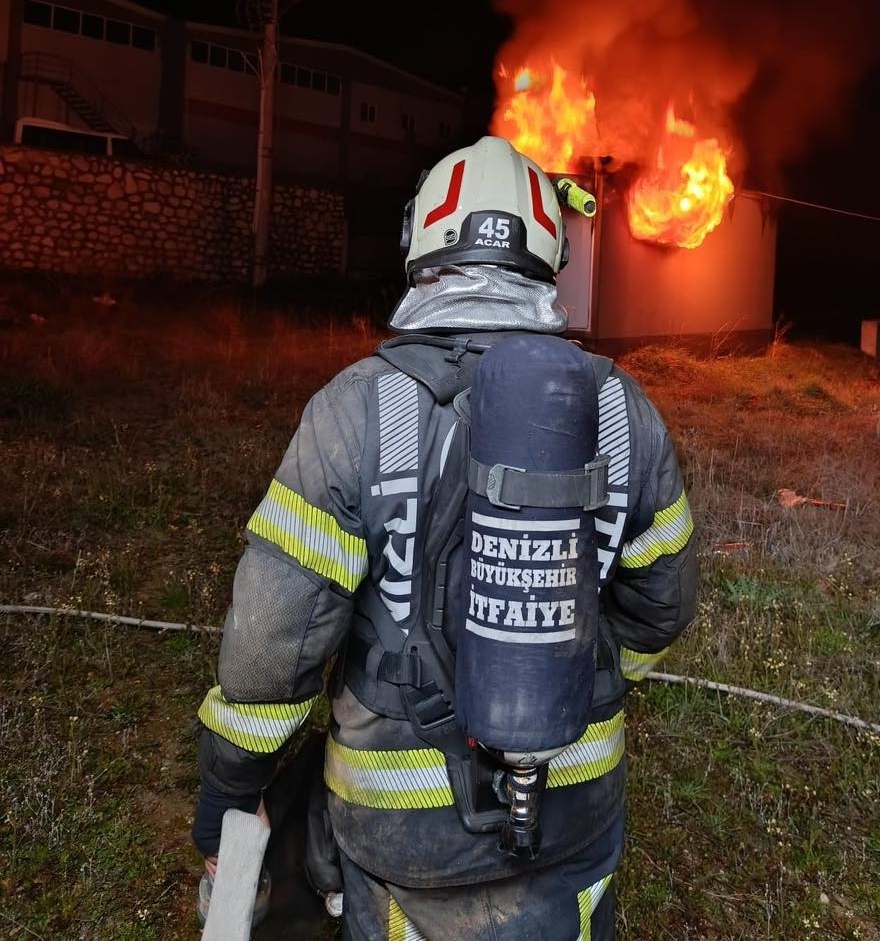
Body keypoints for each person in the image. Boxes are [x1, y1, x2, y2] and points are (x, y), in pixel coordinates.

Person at [192, 135, 697, 940]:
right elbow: (662, 605)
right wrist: (581, 673)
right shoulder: (622, 411)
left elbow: (272, 642)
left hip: (400, 825)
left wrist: (231, 785)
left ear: (418, 242)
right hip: (574, 804)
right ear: (552, 258)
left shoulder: (356, 410)